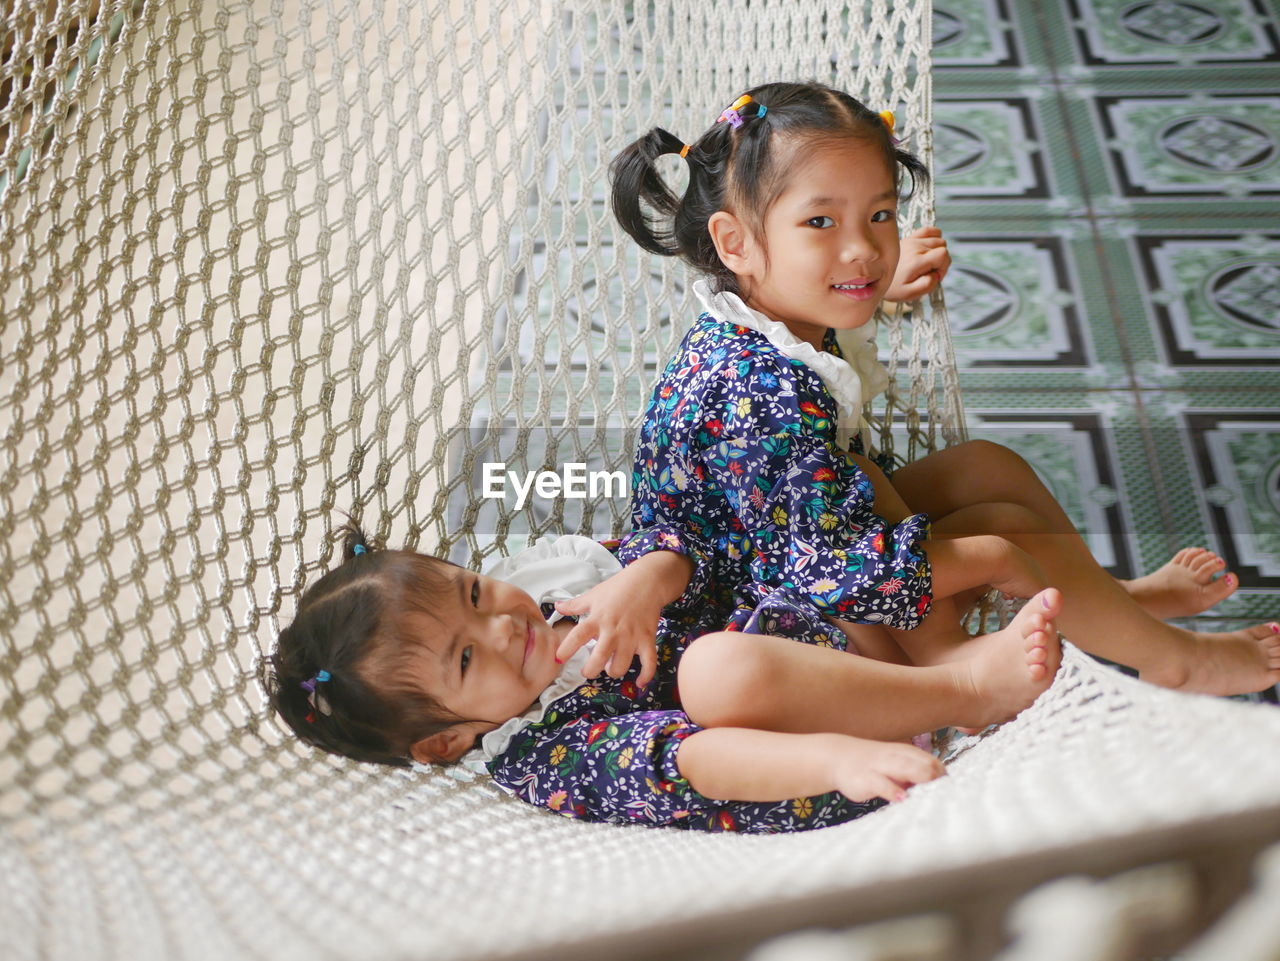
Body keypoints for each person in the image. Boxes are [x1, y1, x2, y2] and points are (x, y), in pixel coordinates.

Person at [608, 80, 1280, 695]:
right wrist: (985, 555)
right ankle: (1164, 657)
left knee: (986, 466)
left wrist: (865, 292)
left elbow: (814, 515)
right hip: (775, 625)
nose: (863, 250)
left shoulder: (765, 313)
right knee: (1004, 531)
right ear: (735, 243)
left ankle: (1108, 600)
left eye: (879, 216)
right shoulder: (761, 395)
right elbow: (826, 572)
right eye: (821, 223)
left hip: (789, 543)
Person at [268, 521, 1063, 833]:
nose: (502, 623)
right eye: (467, 657)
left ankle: (1108, 604)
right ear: (446, 740)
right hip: (815, 759)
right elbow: (686, 762)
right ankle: (967, 693)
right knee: (717, 672)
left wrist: (645, 578)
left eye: (474, 592)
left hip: (833, 645)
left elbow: (687, 540)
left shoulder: (557, 592)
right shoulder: (543, 753)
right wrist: (834, 760)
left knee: (908, 510)